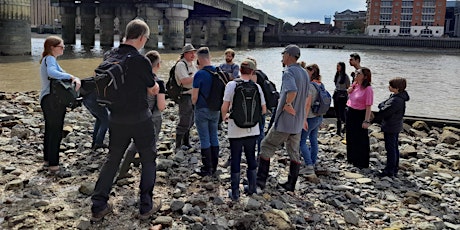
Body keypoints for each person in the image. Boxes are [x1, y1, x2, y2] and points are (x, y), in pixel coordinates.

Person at [90, 19, 161, 222]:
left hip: (116, 118)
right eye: (145, 38)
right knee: (148, 159)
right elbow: (152, 89)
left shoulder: (110, 55)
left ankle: (98, 205)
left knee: (113, 159)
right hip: (140, 118)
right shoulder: (140, 60)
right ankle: (146, 206)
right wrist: (156, 86)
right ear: (141, 37)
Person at [256, 44, 309, 192]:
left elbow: (292, 90)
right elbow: (306, 96)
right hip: (297, 121)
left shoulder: (288, 72)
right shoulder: (304, 73)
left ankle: (260, 182)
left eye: (283, 54)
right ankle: (291, 184)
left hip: (286, 121)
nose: (282, 57)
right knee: (294, 151)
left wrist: (287, 104)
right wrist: (303, 117)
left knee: (266, 146)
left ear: (289, 55)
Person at [221, 58, 267, 201]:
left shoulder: (232, 85)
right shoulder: (257, 87)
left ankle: (235, 193)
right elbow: (264, 110)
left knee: (235, 158)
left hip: (235, 129)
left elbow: (225, 106)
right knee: (251, 157)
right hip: (252, 130)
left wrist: (225, 117)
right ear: (253, 71)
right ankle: (252, 188)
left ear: (240, 70)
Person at [117, 50, 166, 180]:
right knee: (150, 146)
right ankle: (148, 175)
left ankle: (123, 170)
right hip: (153, 117)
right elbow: (161, 106)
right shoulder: (158, 83)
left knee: (134, 143)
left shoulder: (138, 79)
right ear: (158, 65)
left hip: (137, 114)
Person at [39, 35, 81, 178]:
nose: (63, 49)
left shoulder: (48, 59)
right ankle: (54, 166)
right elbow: (53, 73)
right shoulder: (50, 59)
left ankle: (48, 160)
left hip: (46, 99)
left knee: (50, 131)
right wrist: (71, 77)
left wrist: (70, 76)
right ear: (52, 48)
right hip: (53, 100)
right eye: (61, 47)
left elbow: (59, 73)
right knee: (56, 132)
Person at [191, 47, 221, 177]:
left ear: (199, 59)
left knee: (204, 138)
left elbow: (194, 97)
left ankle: (206, 168)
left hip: (202, 109)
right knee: (214, 135)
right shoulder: (218, 72)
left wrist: (194, 104)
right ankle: (214, 166)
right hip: (216, 109)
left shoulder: (199, 74)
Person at [376, 77, 409, 177]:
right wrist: (382, 105)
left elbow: (384, 110)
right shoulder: (397, 97)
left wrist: (382, 106)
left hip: (391, 126)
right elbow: (383, 104)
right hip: (395, 125)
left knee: (391, 148)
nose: (388, 87)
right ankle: (394, 168)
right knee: (394, 147)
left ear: (397, 88)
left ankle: (390, 170)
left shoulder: (396, 100)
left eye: (391, 86)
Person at [346, 67, 373, 169]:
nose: (356, 75)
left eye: (358, 74)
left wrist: (366, 120)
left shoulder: (368, 89)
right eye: (356, 73)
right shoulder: (355, 85)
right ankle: (351, 158)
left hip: (360, 114)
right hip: (350, 111)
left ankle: (362, 161)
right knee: (350, 136)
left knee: (360, 138)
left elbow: (368, 106)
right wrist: (350, 90)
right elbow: (350, 96)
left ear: (365, 76)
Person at [299, 64, 324, 175]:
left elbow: (307, 103)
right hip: (318, 116)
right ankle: (312, 162)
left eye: (306, 71)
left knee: (302, 142)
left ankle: (308, 165)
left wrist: (303, 119)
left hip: (309, 117)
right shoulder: (320, 84)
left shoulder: (309, 86)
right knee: (313, 140)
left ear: (312, 71)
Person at [175, 44, 198, 151]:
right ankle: (178, 145)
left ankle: (186, 141)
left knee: (191, 119)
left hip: (192, 94)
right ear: (185, 54)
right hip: (184, 95)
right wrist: (197, 76)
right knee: (185, 119)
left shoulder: (191, 64)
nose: (193, 54)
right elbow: (184, 81)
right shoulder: (181, 65)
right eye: (191, 52)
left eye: (194, 52)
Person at [333, 62, 350, 136]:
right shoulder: (337, 75)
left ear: (342, 67)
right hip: (336, 93)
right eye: (337, 66)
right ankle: (338, 130)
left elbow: (348, 87)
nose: (337, 67)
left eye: (339, 66)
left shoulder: (345, 76)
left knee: (342, 112)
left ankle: (346, 126)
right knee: (337, 113)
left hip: (343, 95)